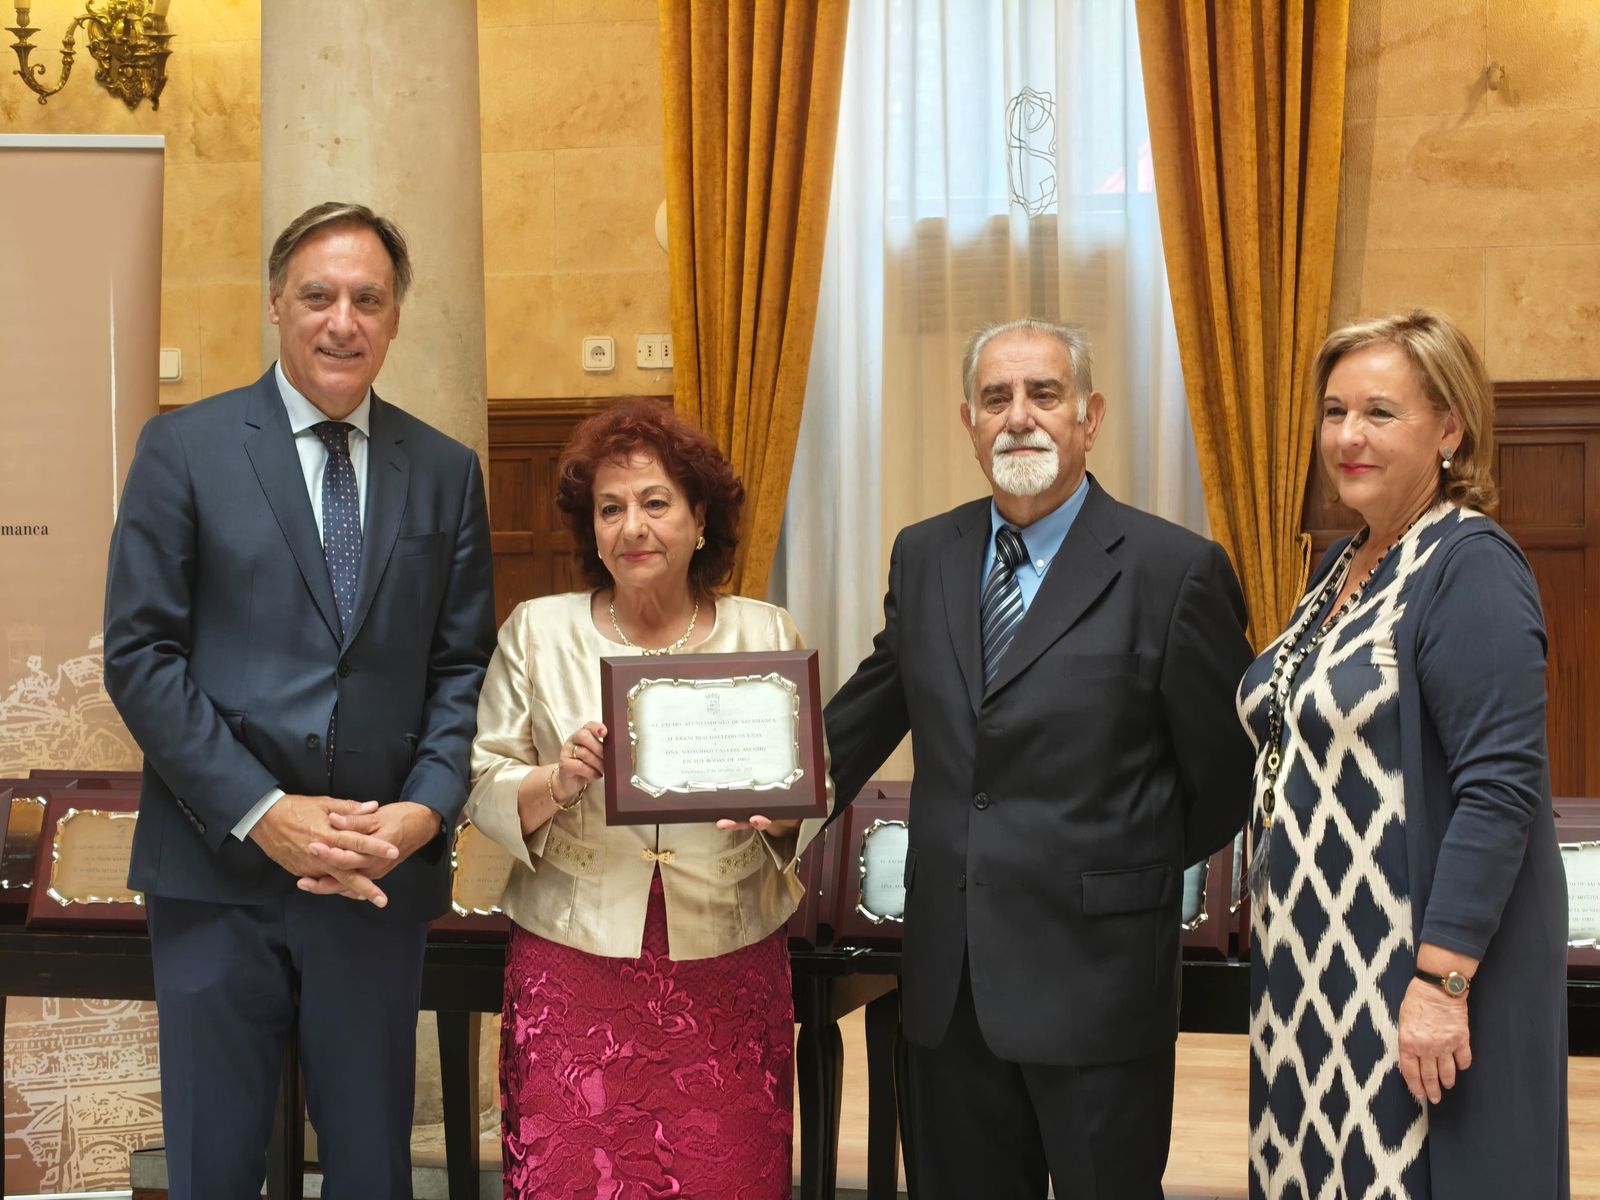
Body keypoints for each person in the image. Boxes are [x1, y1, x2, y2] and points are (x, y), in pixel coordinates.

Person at [103, 201, 496, 1199]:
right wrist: (263, 811)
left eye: (369, 299)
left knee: (372, 1169)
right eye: (319, 296)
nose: (342, 322)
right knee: (214, 1166)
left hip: (372, 876)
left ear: (396, 316)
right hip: (215, 868)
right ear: (276, 303)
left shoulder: (444, 472)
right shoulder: (182, 448)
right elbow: (141, 656)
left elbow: (462, 669)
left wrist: (421, 813)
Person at [823, 317, 1255, 1198]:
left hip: (1099, 980)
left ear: (1090, 417)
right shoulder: (926, 554)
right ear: (969, 423)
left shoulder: (1175, 571)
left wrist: (1117, 863)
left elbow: (1226, 774)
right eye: (996, 398)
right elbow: (871, 708)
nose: (1018, 416)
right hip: (951, 986)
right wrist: (776, 787)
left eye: (1044, 394)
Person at [1238, 310, 1569, 1199]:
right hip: (1315, 976)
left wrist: (1440, 983)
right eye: (1335, 411)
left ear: (1449, 429)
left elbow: (1500, 791)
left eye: (1380, 413)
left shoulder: (1471, 565)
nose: (1348, 436)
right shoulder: (1339, 567)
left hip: (1413, 978)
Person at [465, 400, 829, 1199]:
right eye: (610, 508)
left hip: (726, 955)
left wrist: (782, 816)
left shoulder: (765, 631)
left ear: (700, 520)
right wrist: (554, 782)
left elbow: (813, 787)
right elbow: (483, 781)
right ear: (592, 530)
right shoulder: (537, 632)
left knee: (726, 1176)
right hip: (574, 957)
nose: (633, 526)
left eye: (656, 502)